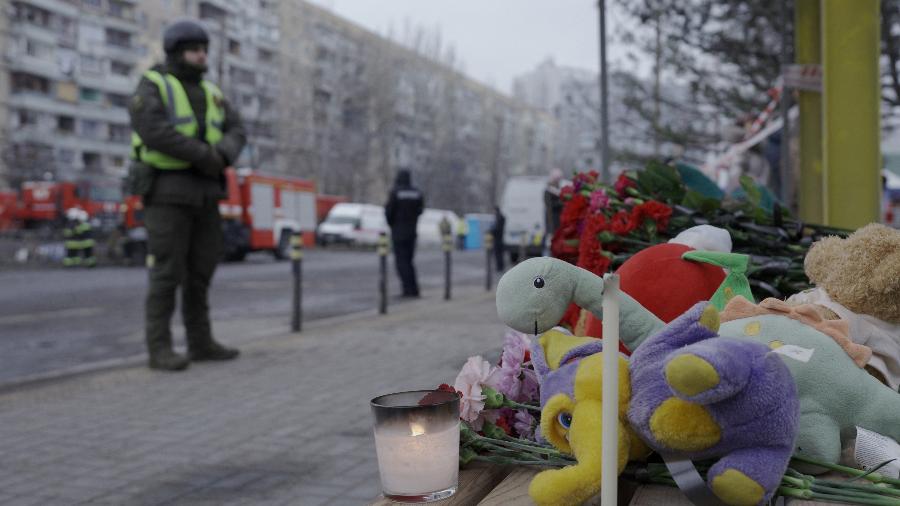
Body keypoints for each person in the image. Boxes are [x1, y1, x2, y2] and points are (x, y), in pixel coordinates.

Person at [129, 19, 246, 371]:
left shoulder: (212, 91)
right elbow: (154, 131)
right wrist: (205, 156)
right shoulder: (153, 84)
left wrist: (222, 154)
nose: (202, 56)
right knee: (167, 271)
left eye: (205, 50)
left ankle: (200, 343)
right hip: (167, 192)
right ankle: (160, 349)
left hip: (206, 194)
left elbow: (238, 129)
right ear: (178, 52)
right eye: (195, 50)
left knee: (201, 272)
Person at [385, 169, 424, 298]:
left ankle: (407, 290)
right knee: (410, 261)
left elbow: (389, 212)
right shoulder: (416, 192)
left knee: (401, 262)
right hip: (412, 232)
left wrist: (393, 225)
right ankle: (414, 289)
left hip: (398, 232)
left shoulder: (396, 192)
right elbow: (420, 210)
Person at [491, 205, 506, 272]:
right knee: (499, 254)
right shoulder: (500, 217)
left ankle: (499, 267)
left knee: (498, 254)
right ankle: (500, 266)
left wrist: (491, 231)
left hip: (498, 239)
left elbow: (497, 229)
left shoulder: (499, 218)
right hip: (500, 238)